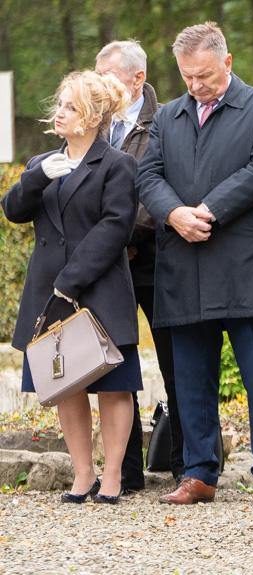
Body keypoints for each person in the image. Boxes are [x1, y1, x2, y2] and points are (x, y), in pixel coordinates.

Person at [136, 22, 253, 509]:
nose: (195, 86)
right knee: (190, 376)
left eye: (204, 75)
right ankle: (199, 473)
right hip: (185, 262)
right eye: (187, 77)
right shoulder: (168, 116)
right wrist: (173, 213)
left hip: (245, 264)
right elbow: (148, 175)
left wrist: (207, 209)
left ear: (226, 62)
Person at [2, 70, 140, 504]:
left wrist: (70, 282)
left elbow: (115, 227)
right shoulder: (43, 162)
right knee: (66, 382)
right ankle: (83, 474)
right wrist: (36, 176)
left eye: (71, 106)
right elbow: (13, 210)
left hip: (98, 286)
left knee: (115, 385)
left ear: (95, 117)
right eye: (59, 104)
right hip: (50, 288)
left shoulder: (118, 164)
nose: (59, 113)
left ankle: (113, 474)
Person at [95, 39, 187, 491]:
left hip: (155, 263)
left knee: (176, 364)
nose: (98, 86)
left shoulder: (167, 120)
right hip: (108, 268)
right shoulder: (93, 122)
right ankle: (125, 473)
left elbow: (162, 188)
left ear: (136, 79)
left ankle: (186, 466)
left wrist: (122, 239)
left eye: (107, 76)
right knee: (114, 368)